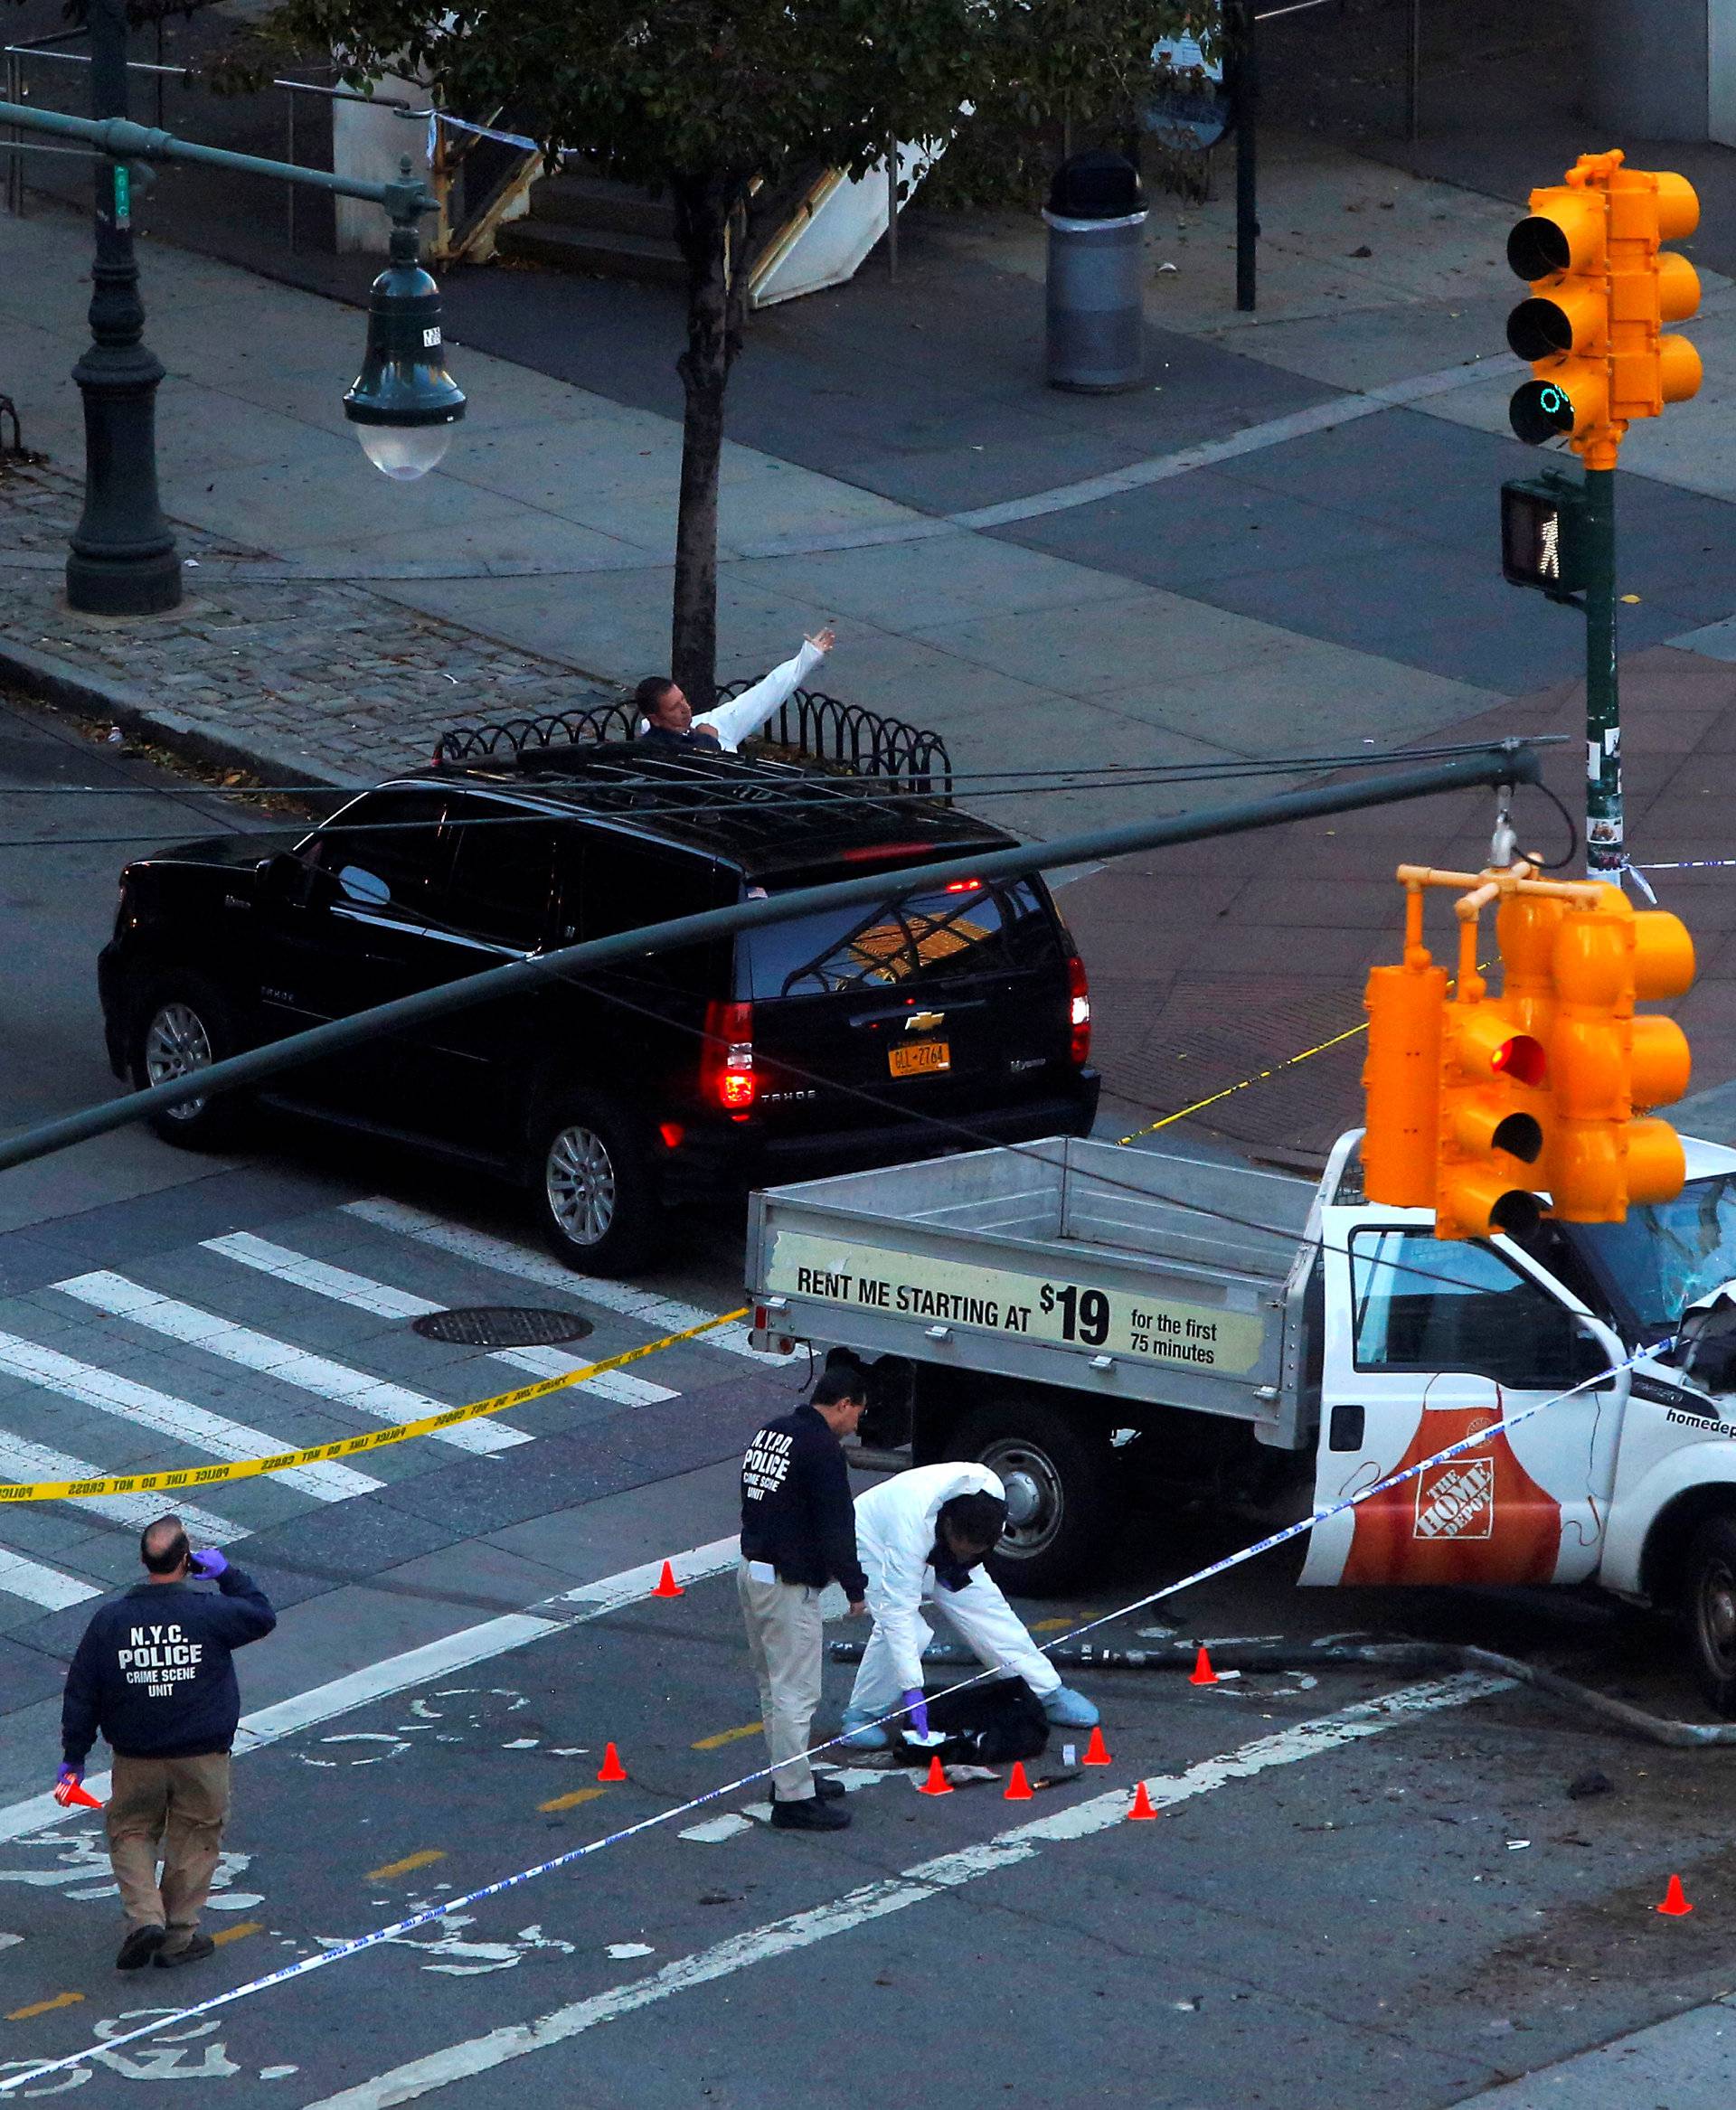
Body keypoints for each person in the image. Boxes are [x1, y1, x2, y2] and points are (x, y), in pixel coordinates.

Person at [60, 1515, 276, 1973]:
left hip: (136, 1755)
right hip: (202, 1755)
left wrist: (73, 1758)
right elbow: (261, 1615)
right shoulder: (209, 1613)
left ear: (142, 1560)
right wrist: (227, 1574)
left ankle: (144, 1920)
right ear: (187, 1559)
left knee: (131, 1832)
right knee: (195, 1839)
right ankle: (177, 1937)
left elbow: (82, 1692)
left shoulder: (111, 1621)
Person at [840, 1463, 1099, 1748]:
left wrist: (960, 1559)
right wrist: (913, 1691)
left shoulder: (993, 1506)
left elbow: (971, 1572)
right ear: (949, 1527)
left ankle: (1044, 1691)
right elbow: (897, 1614)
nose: (965, 1557)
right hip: (873, 1539)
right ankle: (862, 1713)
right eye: (962, 1549)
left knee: (986, 1608)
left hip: (936, 1544)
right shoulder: (910, 1530)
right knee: (910, 1631)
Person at [738, 1369, 870, 1832]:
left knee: (774, 1688)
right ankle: (794, 1800)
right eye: (857, 1413)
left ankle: (788, 1777)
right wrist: (854, 1587)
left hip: (753, 1571)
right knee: (797, 1693)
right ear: (843, 1404)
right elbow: (837, 1524)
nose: (856, 1425)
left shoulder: (772, 1432)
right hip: (789, 1585)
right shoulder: (822, 1450)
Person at [636, 627, 836, 752]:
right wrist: (709, 741)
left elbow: (761, 698)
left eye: (683, 700)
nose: (685, 708)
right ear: (655, 718)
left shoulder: (705, 725)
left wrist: (807, 657)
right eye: (674, 708)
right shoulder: (656, 752)